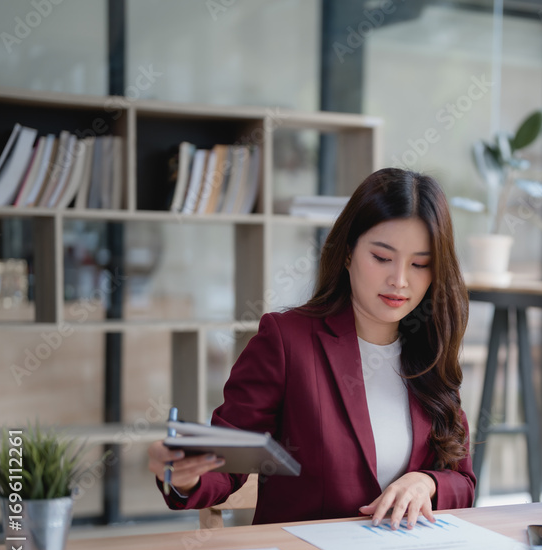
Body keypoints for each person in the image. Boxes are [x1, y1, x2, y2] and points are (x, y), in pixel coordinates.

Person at [148, 167, 475, 528]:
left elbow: (463, 482)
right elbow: (229, 464)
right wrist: (185, 475)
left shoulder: (430, 352)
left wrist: (426, 482)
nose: (399, 280)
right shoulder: (287, 341)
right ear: (348, 253)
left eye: (419, 264)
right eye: (382, 258)